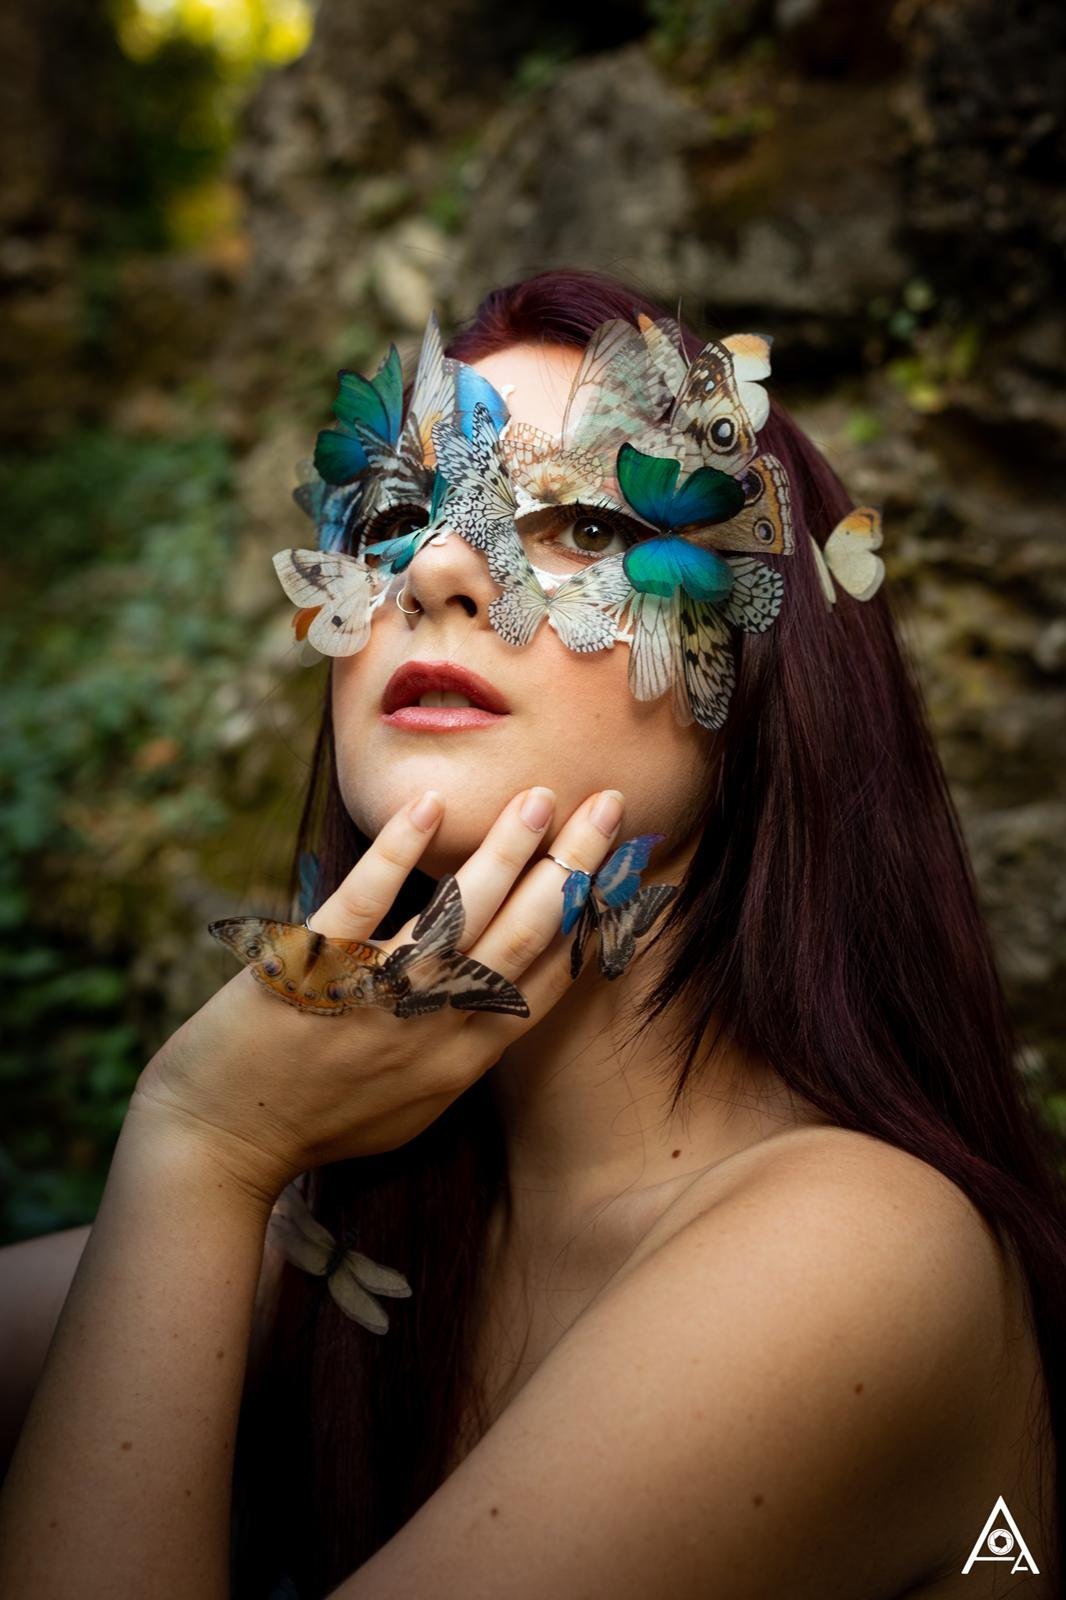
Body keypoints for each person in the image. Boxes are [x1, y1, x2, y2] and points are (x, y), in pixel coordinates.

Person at [0, 267, 1061, 1600]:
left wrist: (202, 1146)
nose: (436, 567)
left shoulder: (859, 1255)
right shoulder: (351, 1257)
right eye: (391, 514)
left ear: (773, 666)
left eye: (576, 518)